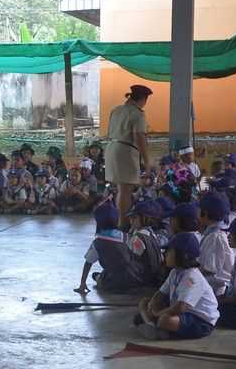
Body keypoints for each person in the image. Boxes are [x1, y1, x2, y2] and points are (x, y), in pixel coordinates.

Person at [136, 232, 219, 340]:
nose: (165, 254)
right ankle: (151, 326)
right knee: (145, 302)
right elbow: (160, 294)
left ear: (183, 255)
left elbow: (181, 307)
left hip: (200, 321)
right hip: (182, 313)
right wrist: (153, 304)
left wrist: (157, 314)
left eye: (169, 251)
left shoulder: (192, 277)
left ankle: (158, 328)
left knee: (164, 320)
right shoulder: (174, 272)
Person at [105, 85, 153, 229]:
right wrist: (147, 162)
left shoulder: (116, 110)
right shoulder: (137, 114)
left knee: (122, 189)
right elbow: (140, 138)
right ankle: (123, 223)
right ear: (143, 99)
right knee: (125, 190)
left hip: (112, 147)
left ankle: (120, 220)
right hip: (125, 150)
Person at [74, 199, 145, 294]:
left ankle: (101, 279)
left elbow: (88, 263)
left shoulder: (97, 242)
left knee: (95, 275)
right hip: (134, 279)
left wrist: (82, 283)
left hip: (114, 281)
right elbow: (138, 254)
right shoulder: (126, 236)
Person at [198, 192, 235, 296]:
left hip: (215, 290)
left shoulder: (215, 237)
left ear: (204, 213)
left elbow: (209, 269)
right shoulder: (214, 233)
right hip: (213, 286)